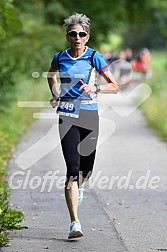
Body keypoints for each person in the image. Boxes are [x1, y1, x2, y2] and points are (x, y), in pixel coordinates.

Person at [47, 12, 118, 239]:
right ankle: (74, 223)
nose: (77, 37)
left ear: (87, 37)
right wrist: (56, 95)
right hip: (67, 116)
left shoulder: (94, 57)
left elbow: (114, 86)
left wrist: (95, 88)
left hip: (89, 116)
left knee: (85, 169)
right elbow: (51, 76)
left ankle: (82, 184)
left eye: (82, 34)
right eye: (73, 33)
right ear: (67, 36)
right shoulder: (59, 58)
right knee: (71, 168)